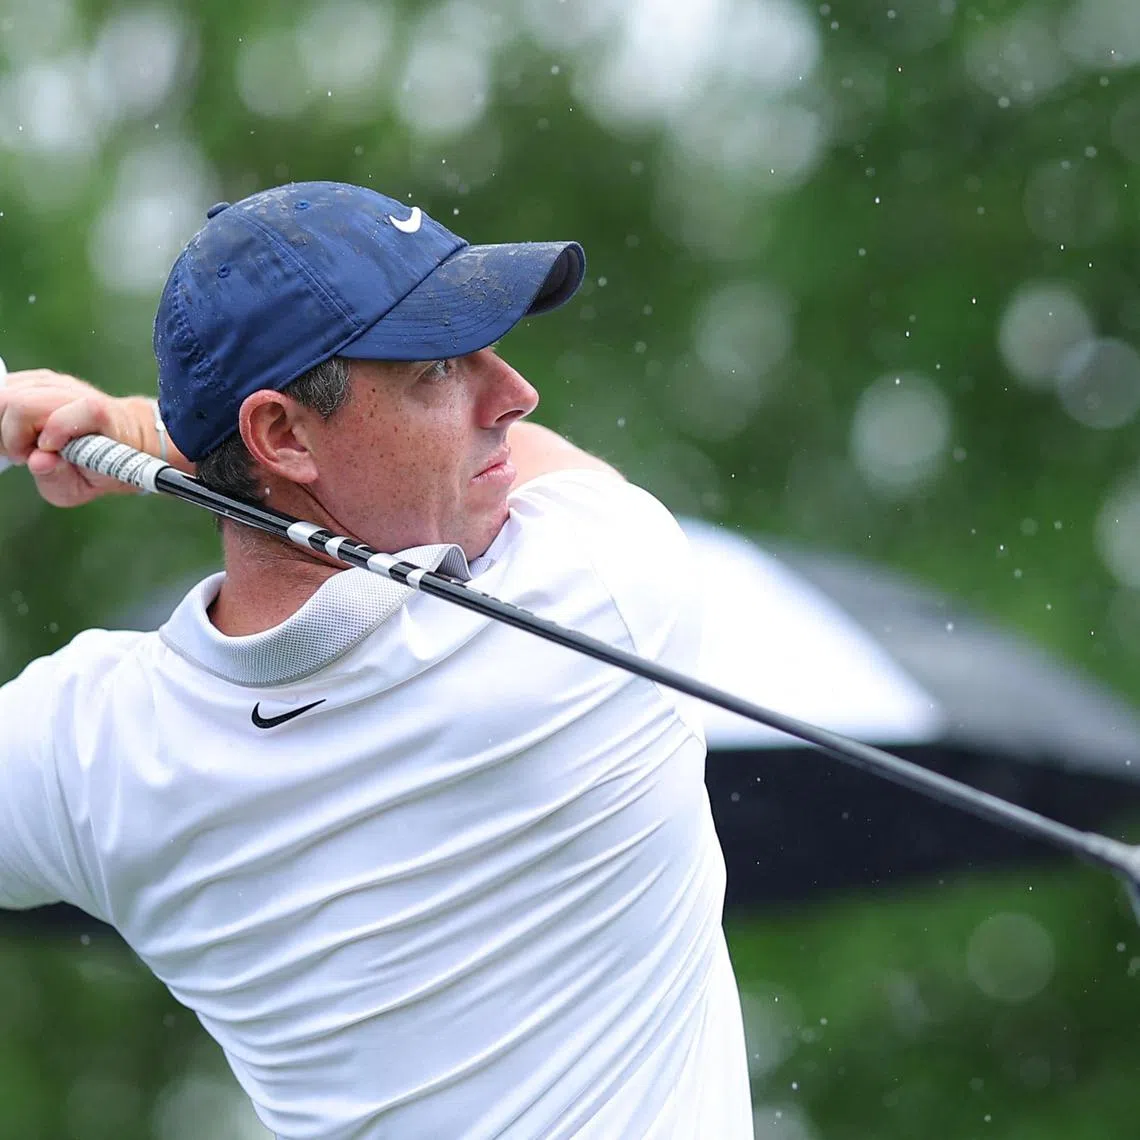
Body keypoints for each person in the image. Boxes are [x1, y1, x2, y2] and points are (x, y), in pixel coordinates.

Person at [0, 182, 752, 1140]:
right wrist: (154, 431)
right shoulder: (600, 598)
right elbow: (546, 465)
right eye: (440, 366)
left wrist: (176, 442)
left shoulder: (84, 754)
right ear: (280, 435)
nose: (513, 395)